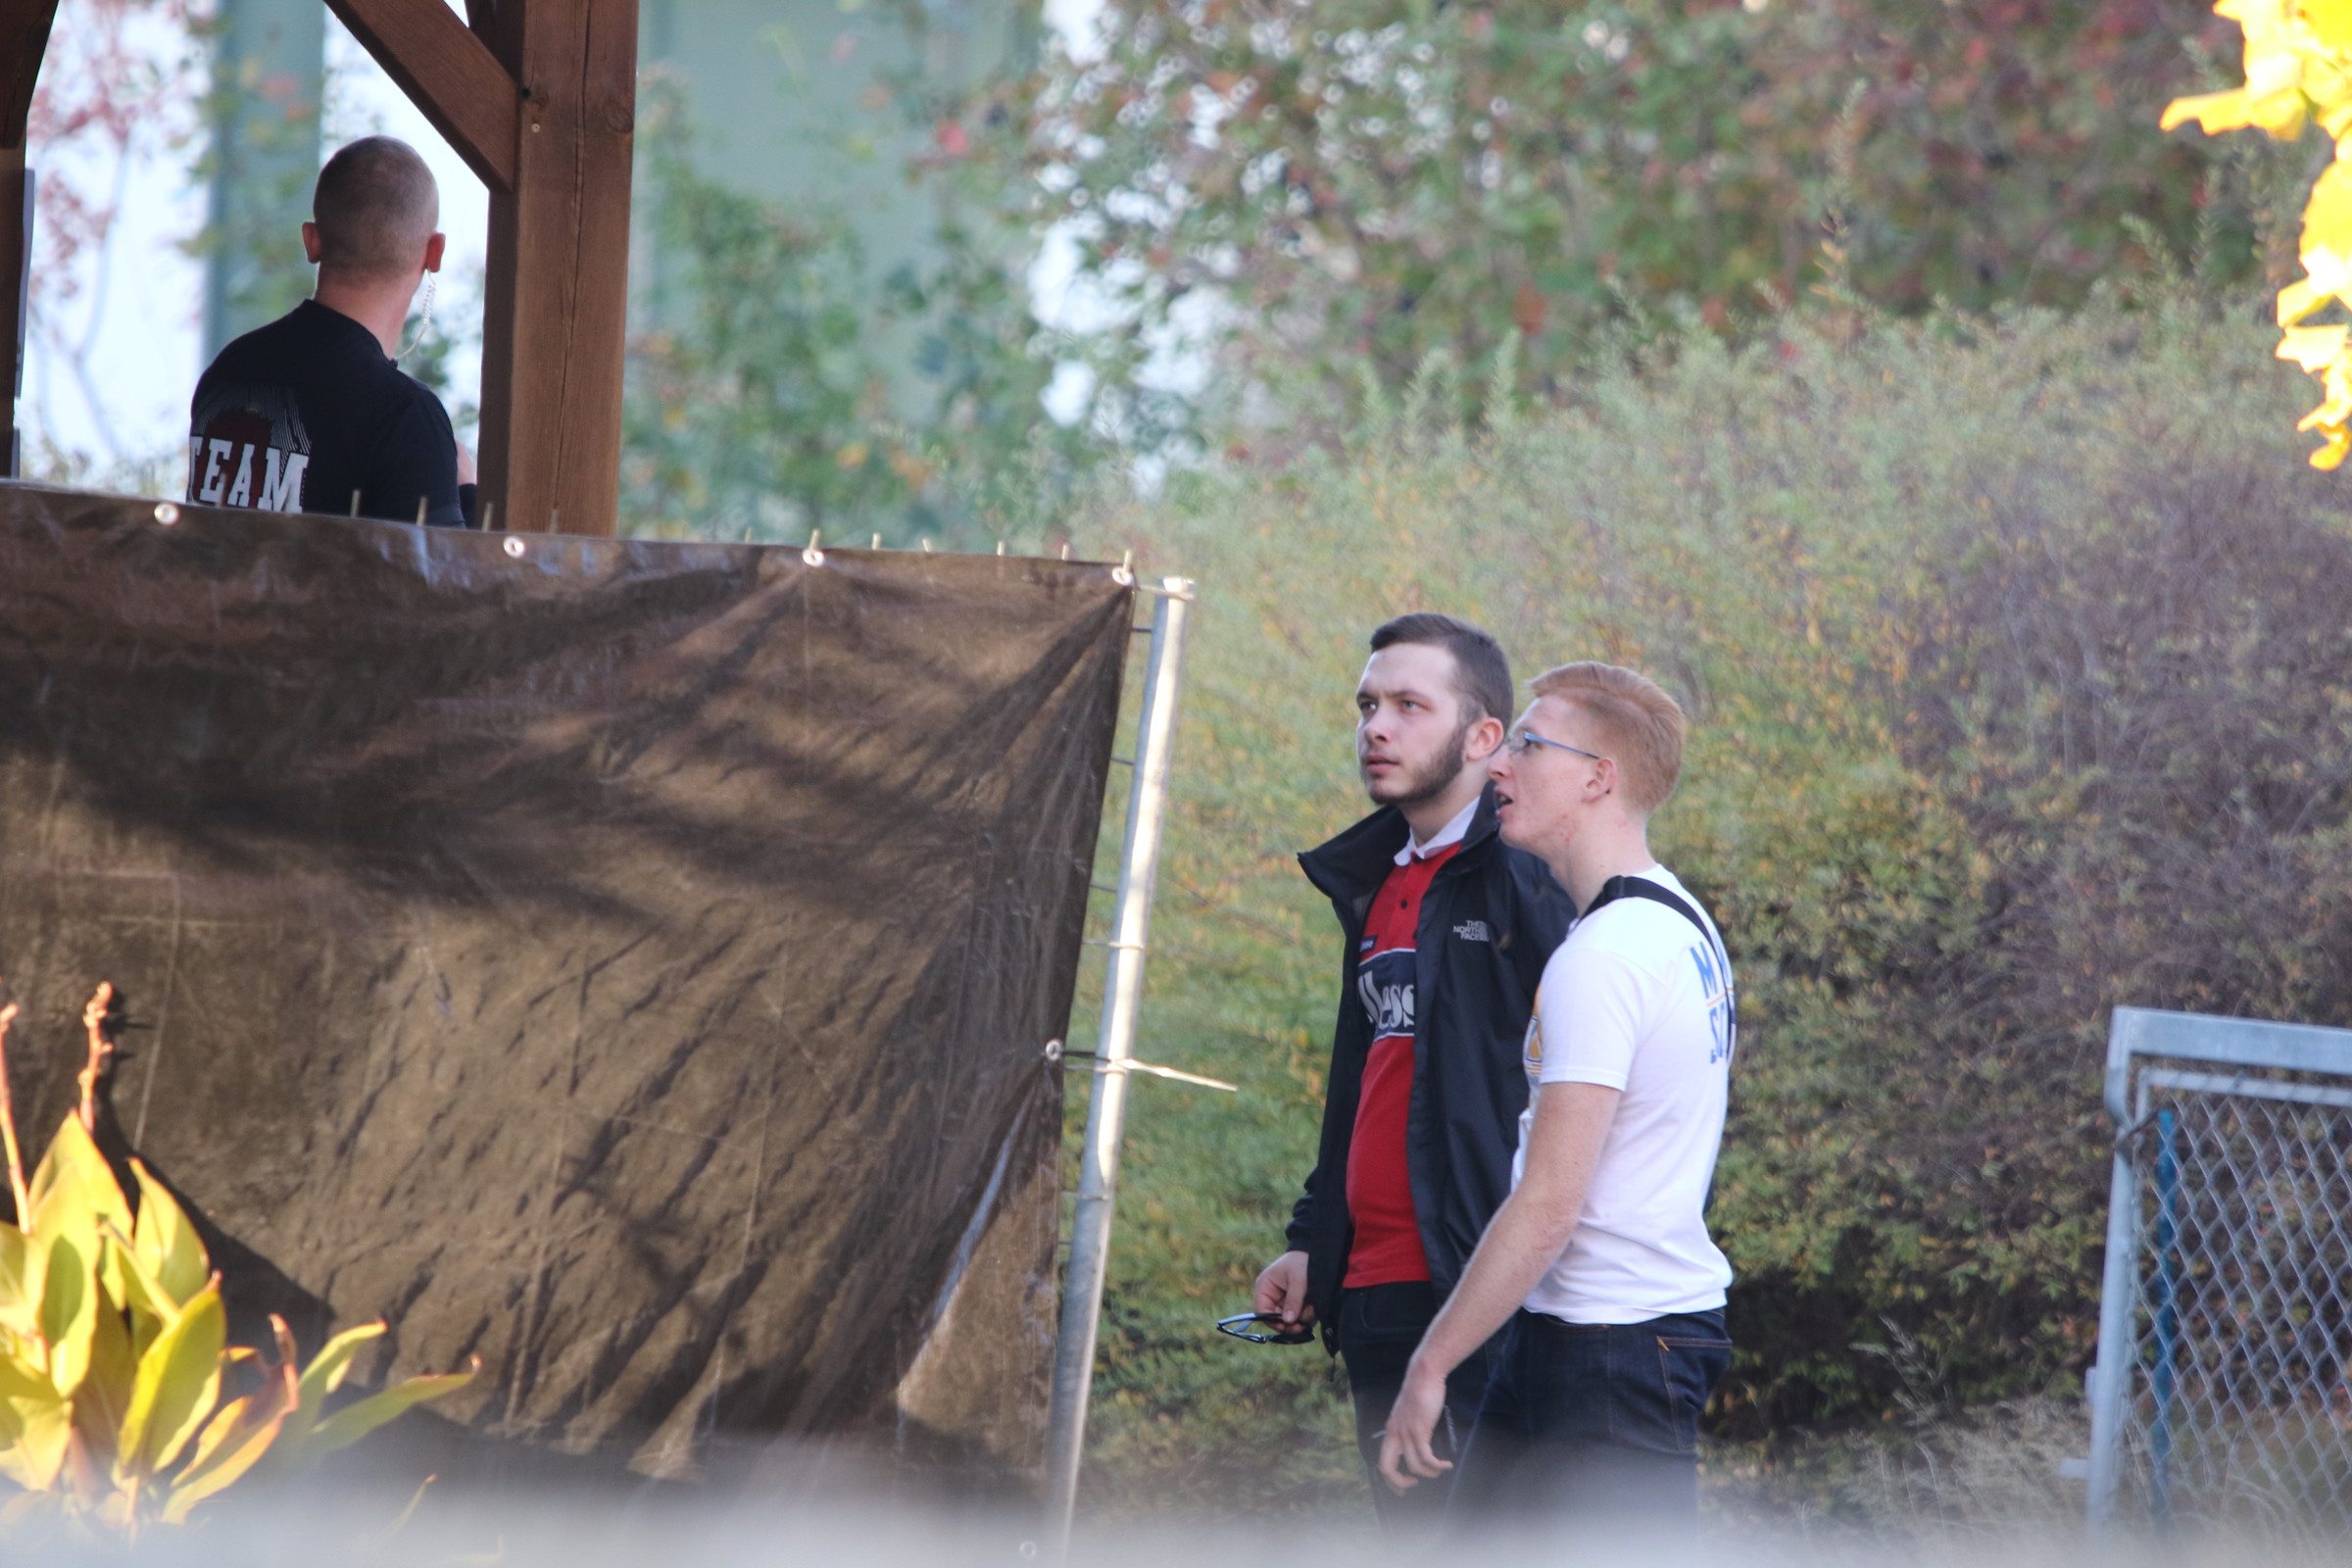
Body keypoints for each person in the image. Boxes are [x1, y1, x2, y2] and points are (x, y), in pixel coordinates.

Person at [1377, 661, 1737, 1537]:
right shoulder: (1675, 920)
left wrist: (1431, 1364)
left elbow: (1548, 1204)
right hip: (1578, 1333)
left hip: (1613, 1352)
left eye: (1530, 745)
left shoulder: (1606, 956)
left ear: (1598, 778)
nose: (1497, 764)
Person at [1252, 613, 1575, 1529]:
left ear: (1482, 737)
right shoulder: (1377, 880)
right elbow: (1369, 1083)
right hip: (1374, 1294)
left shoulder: (1530, 877)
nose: (1376, 728)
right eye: (1367, 706)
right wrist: (1314, 1239)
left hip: (1483, 1294)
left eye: (1408, 706)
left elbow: (1584, 1096)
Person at [187, 135, 475, 527]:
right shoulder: (406, 417)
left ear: (312, 240)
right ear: (434, 253)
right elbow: (446, 566)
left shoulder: (230, 372)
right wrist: (466, 493)